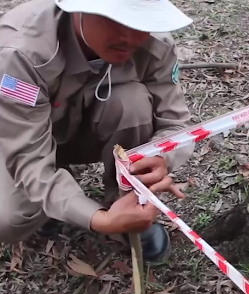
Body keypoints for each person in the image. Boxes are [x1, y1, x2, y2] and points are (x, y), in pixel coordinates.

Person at [0, 0, 195, 264]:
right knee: (9, 218)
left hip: (80, 128)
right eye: (113, 20)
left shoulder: (155, 43)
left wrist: (162, 158)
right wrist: (98, 219)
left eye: (139, 22)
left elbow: (176, 123)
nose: (128, 36)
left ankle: (126, 206)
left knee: (131, 103)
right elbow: (28, 160)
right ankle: (58, 201)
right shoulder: (20, 53)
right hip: (17, 133)